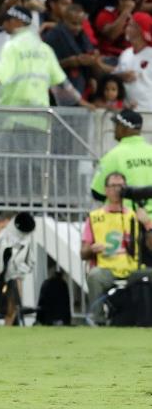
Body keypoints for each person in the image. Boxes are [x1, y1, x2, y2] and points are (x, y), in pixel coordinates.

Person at [81, 172, 152, 325]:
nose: (117, 190)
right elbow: (83, 253)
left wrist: (147, 224)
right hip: (107, 269)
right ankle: (97, 319)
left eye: (121, 186)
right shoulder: (94, 217)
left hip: (133, 269)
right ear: (106, 190)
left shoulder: (135, 215)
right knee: (94, 275)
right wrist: (92, 249)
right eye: (113, 186)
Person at [0, 6, 86, 108]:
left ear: (18, 22)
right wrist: (82, 102)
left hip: (14, 115)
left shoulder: (11, 47)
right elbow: (63, 84)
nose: (4, 24)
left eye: (8, 20)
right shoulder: (45, 49)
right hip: (40, 116)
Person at [91, 109, 152, 214]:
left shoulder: (113, 156)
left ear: (124, 128)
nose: (114, 129)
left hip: (124, 222)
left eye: (116, 125)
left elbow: (97, 192)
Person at [42, 3, 100, 96]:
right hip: (56, 90)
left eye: (81, 24)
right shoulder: (53, 36)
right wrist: (68, 62)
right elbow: (44, 67)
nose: (78, 27)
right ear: (64, 19)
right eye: (74, 23)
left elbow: (90, 54)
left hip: (78, 86)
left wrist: (91, 75)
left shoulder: (82, 35)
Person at [114, 12, 152, 111]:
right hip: (128, 111)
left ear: (140, 30)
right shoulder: (125, 53)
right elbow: (115, 77)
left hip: (148, 111)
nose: (126, 29)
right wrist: (121, 76)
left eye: (130, 25)